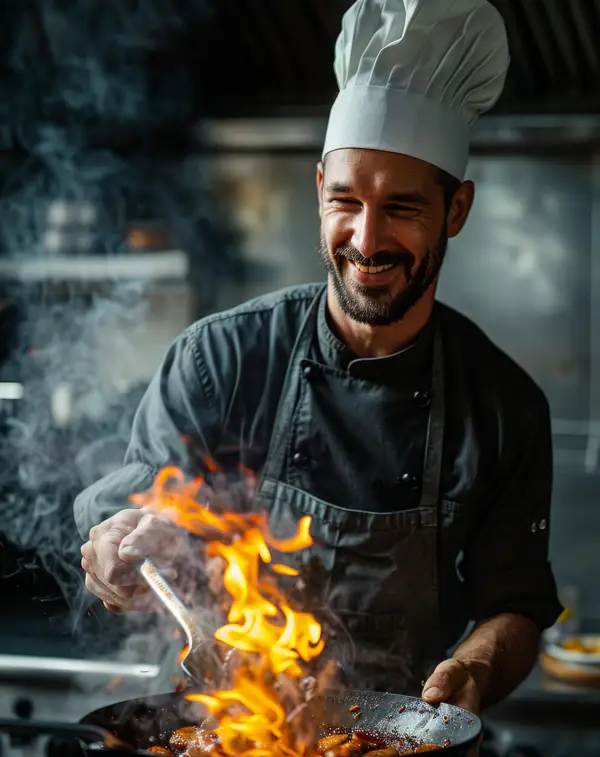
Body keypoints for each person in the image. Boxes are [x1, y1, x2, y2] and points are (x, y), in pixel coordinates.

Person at [76, 0, 563, 714]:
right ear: (318, 192)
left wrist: (476, 666)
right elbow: (133, 512)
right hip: (219, 756)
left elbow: (514, 605)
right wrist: (119, 549)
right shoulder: (221, 360)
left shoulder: (503, 408)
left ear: (455, 210)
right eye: (346, 201)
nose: (366, 240)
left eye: (401, 207)